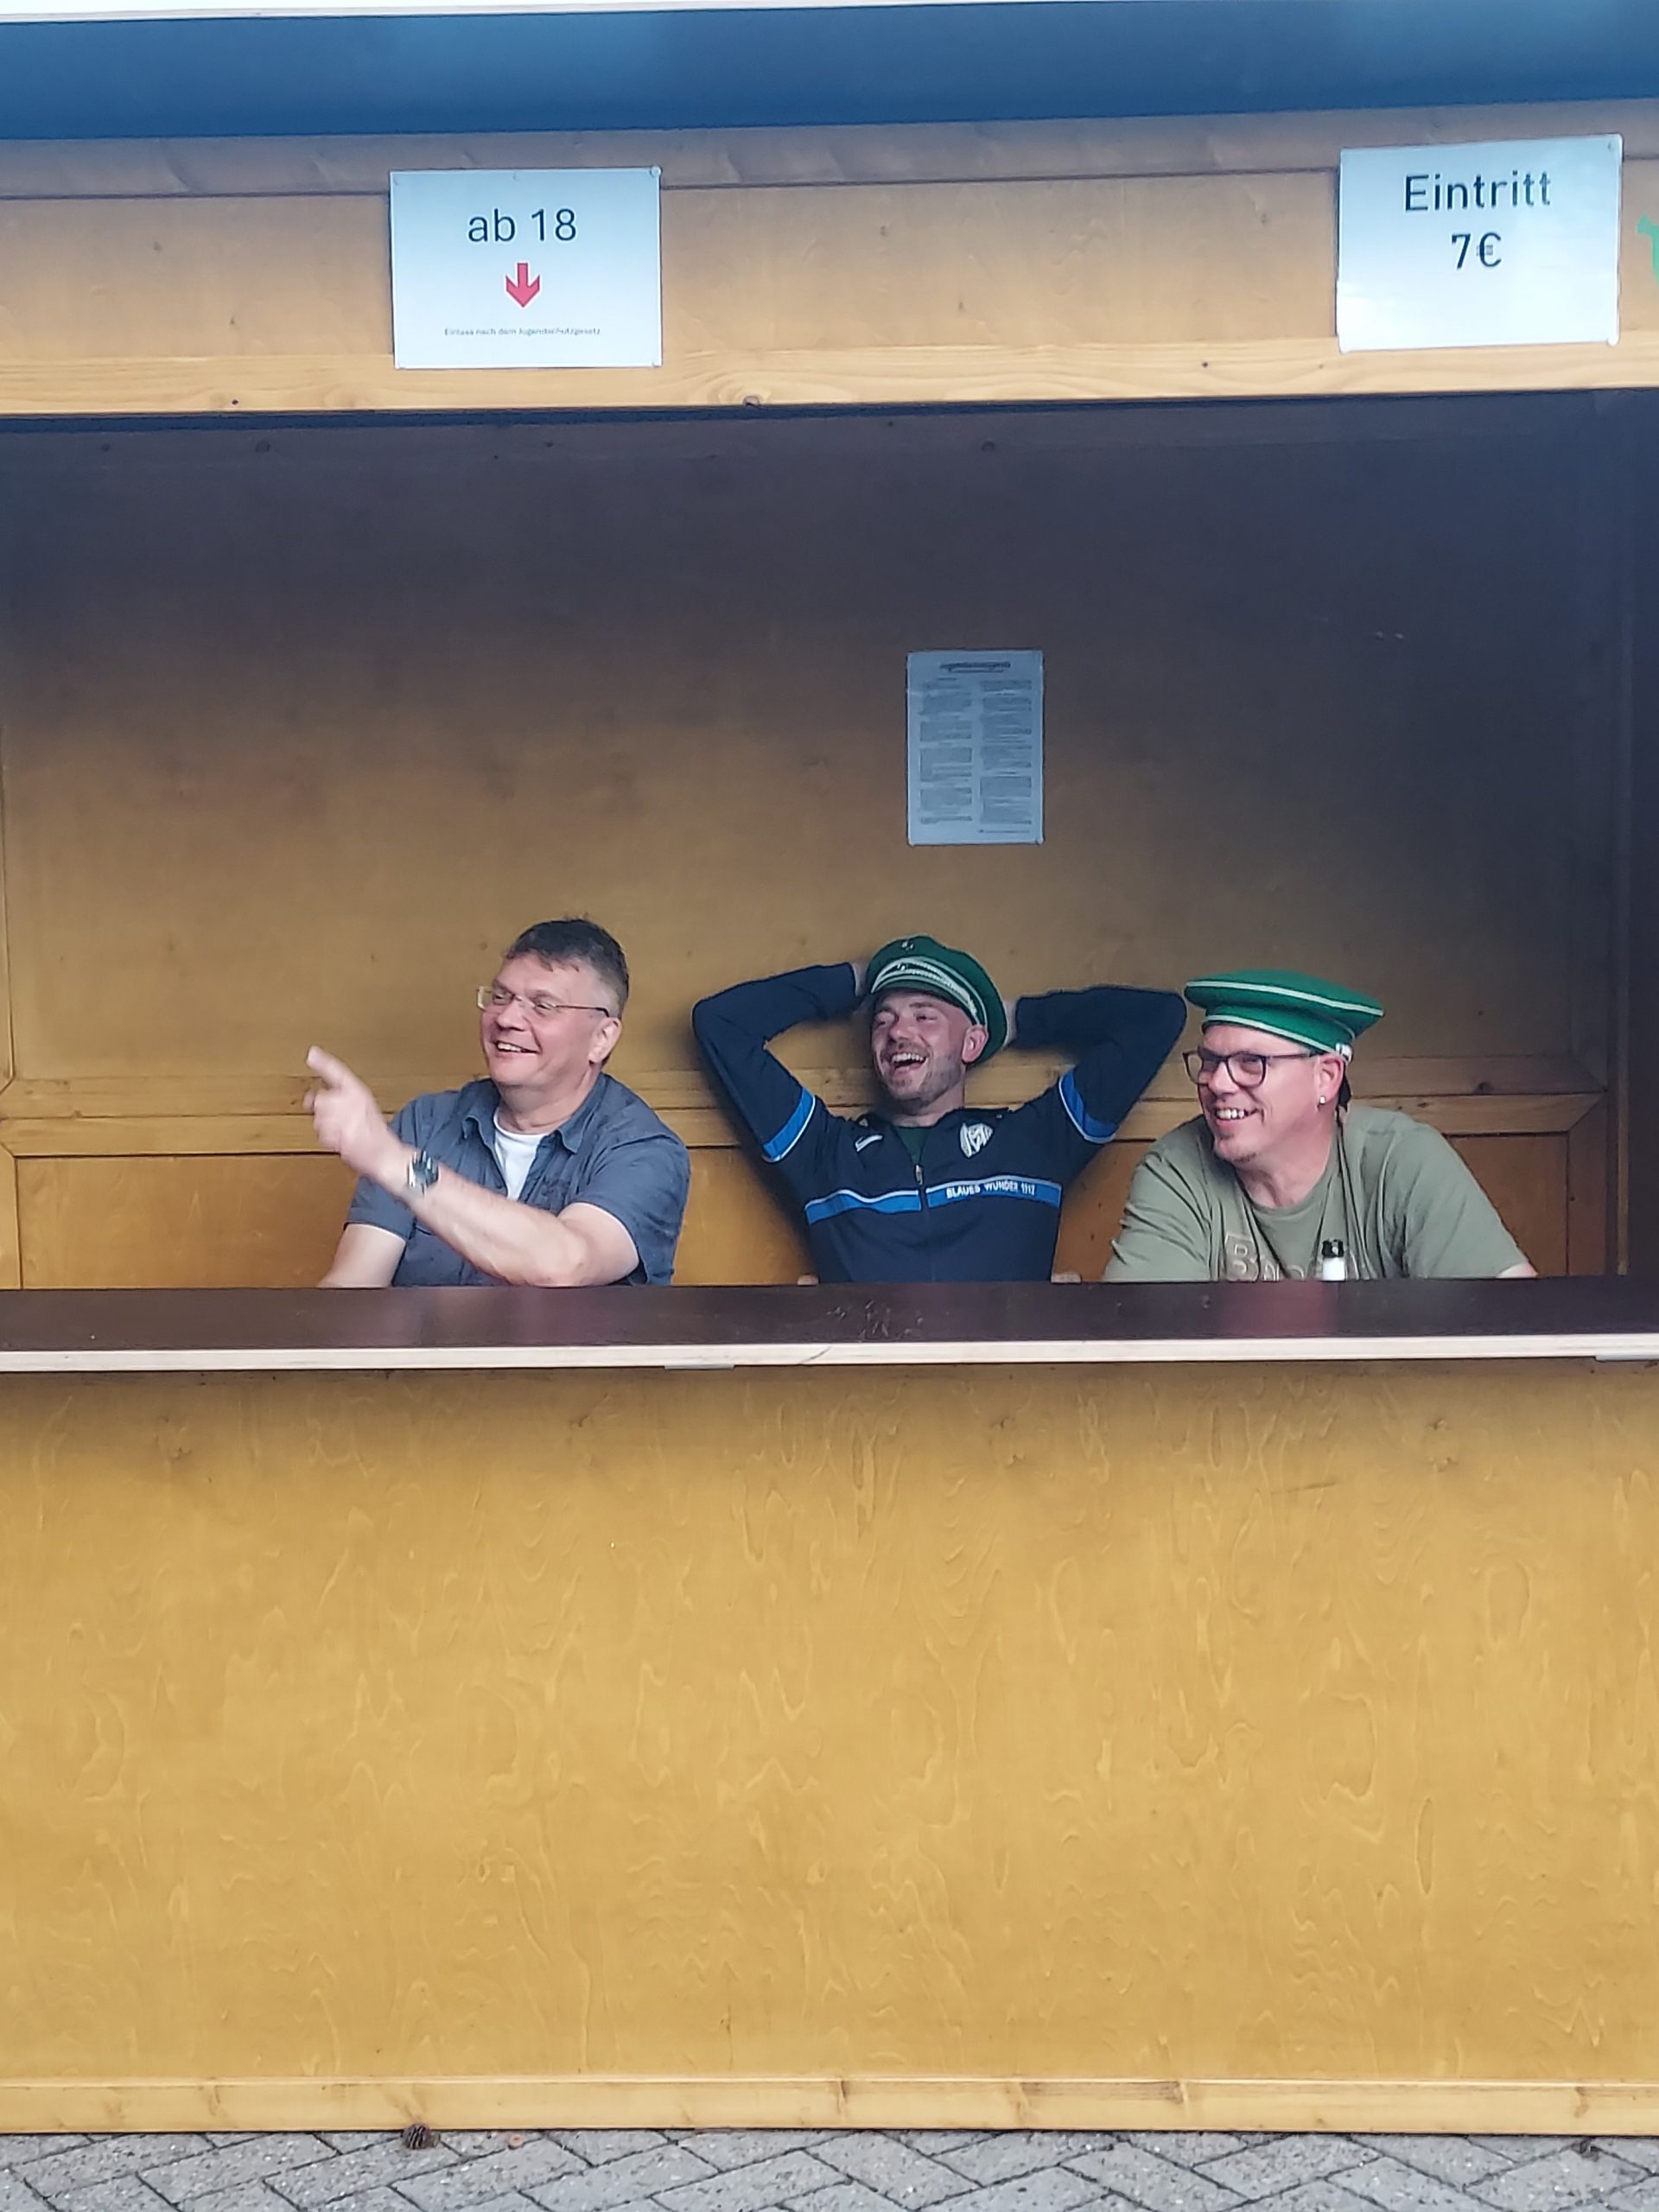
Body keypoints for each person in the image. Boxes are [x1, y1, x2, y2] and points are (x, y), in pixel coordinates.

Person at [693, 934, 1184, 1283]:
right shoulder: (825, 1152)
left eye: (924, 1016)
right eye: (882, 1020)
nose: (898, 1032)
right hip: (866, 1398)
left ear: (972, 1043)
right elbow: (720, 1025)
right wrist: (858, 980)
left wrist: (1020, 1020)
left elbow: (1158, 1019)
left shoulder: (1035, 1141)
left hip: (1011, 1391)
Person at [309, 918, 690, 1287]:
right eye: (500, 997)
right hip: (428, 1337)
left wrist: (396, 1163)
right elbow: (355, 1283)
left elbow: (563, 1265)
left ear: (601, 1038)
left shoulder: (645, 1150)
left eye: (543, 1005)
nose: (507, 1018)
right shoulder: (425, 1123)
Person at [1105, 968, 1535, 1282]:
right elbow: (1140, 1342)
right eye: (1210, 1061)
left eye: (1251, 1063)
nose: (1217, 1083)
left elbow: (1513, 1323)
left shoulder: (1403, 1162)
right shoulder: (1176, 1169)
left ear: (1326, 1078)